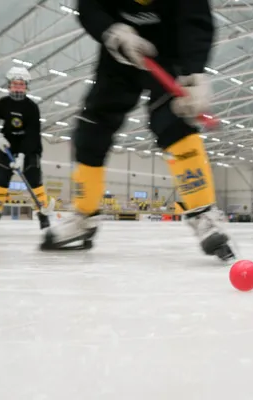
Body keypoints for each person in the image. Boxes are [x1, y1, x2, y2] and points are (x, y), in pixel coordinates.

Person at [41, 0, 236, 262]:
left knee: (175, 124)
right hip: (119, 54)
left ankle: (203, 213)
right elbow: (89, 5)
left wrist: (194, 73)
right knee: (91, 131)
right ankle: (84, 217)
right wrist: (112, 31)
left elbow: (196, 21)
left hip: (168, 53)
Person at [0, 66, 50, 231]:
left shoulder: (31, 108)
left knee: (34, 180)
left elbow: (32, 134)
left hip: (30, 149)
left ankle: (43, 216)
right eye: (15, 84)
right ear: (9, 85)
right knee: (0, 176)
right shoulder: (1, 104)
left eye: (21, 84)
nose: (18, 87)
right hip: (7, 146)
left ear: (26, 86)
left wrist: (22, 156)